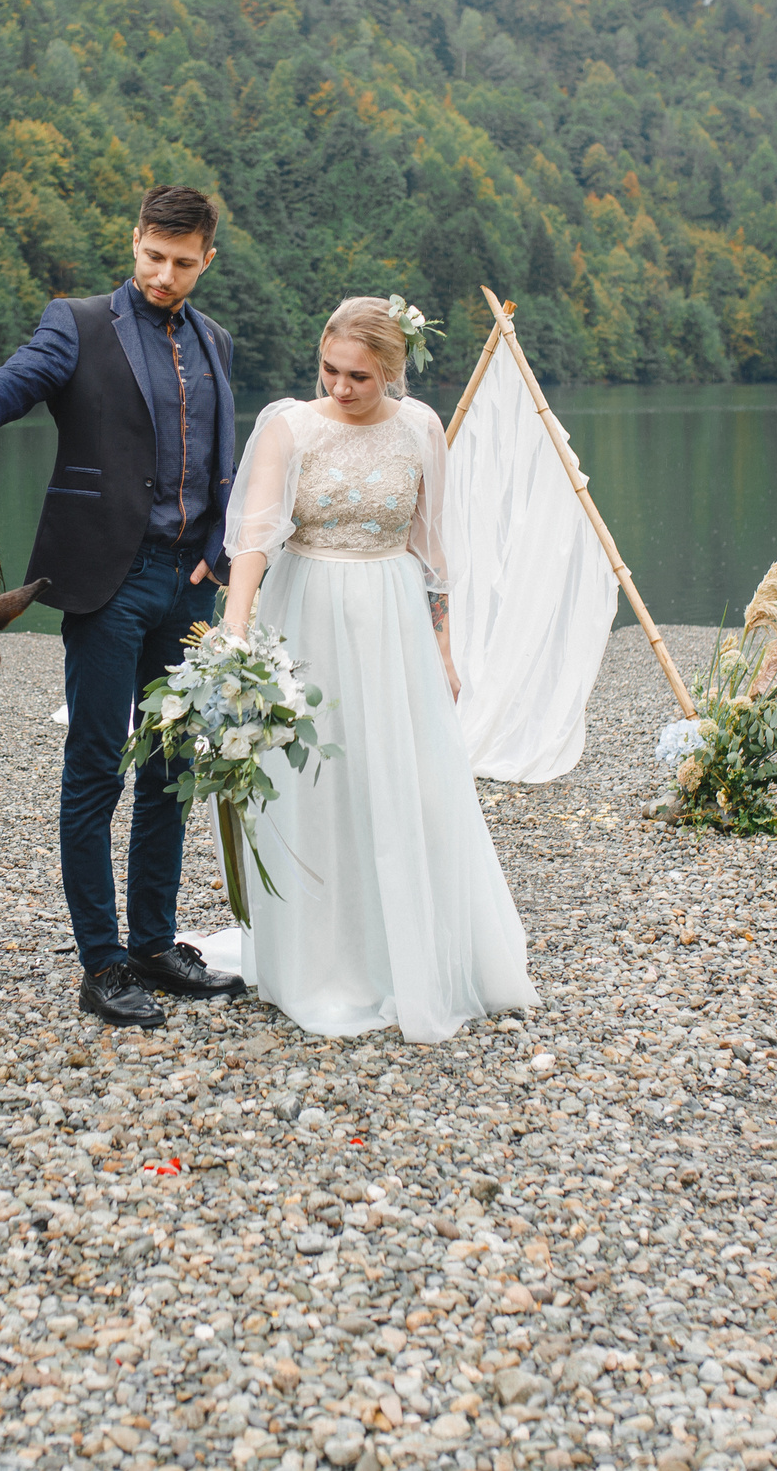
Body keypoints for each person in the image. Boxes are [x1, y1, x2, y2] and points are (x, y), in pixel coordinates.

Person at [0, 186, 246, 1029]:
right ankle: (103, 960)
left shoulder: (218, 344)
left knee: (171, 769)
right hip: (109, 581)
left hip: (187, 585)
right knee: (97, 768)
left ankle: (156, 941)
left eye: (182, 262)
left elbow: (226, 459)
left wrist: (220, 548)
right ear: (133, 242)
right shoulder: (78, 324)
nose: (163, 275)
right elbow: (20, 380)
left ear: (207, 259)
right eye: (151, 257)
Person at [198, 297, 539, 1043]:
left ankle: (407, 953)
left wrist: (443, 648)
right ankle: (320, 962)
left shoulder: (420, 429)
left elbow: (431, 546)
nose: (341, 388)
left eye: (359, 376)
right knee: (315, 782)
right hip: (308, 609)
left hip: (391, 619)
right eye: (330, 371)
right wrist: (236, 630)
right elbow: (254, 537)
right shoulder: (291, 426)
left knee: (401, 780)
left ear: (392, 372)